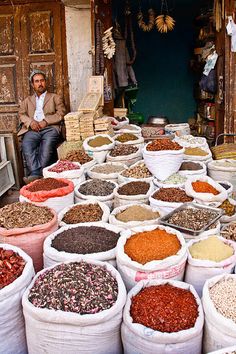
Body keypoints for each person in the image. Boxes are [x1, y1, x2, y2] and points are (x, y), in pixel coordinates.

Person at [18, 69, 66, 183]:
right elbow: (21, 114)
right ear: (32, 84)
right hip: (33, 129)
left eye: (42, 81)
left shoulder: (55, 97)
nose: (40, 84)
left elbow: (61, 113)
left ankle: (35, 174)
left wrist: (46, 121)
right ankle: (37, 173)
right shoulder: (27, 100)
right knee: (26, 144)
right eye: (37, 81)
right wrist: (31, 123)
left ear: (46, 82)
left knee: (47, 144)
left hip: (50, 128)